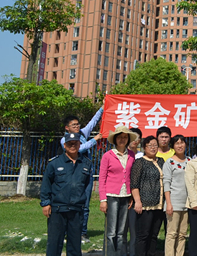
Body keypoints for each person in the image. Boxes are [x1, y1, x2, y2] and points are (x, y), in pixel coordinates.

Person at [41, 131, 93, 256]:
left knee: (75, 245)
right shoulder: (54, 163)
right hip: (58, 209)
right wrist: (46, 203)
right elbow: (46, 184)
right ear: (64, 145)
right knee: (54, 243)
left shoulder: (86, 163)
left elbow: (85, 185)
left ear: (79, 145)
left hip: (76, 209)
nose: (72, 146)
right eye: (70, 143)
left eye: (75, 143)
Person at [61, 108, 103, 243]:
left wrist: (102, 107)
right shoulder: (64, 140)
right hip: (72, 174)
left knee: (85, 205)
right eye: (73, 125)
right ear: (67, 127)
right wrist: (94, 140)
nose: (77, 126)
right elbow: (79, 149)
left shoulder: (83, 133)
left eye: (78, 124)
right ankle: (68, 231)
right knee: (70, 203)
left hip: (87, 174)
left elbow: (93, 122)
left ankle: (82, 232)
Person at [100, 125, 138, 256]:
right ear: (115, 139)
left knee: (122, 231)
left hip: (125, 196)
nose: (122, 139)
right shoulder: (108, 155)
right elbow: (102, 178)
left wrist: (131, 195)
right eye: (120, 137)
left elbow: (131, 176)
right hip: (112, 195)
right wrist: (103, 199)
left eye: (125, 137)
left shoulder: (131, 155)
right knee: (111, 232)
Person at [131, 136, 166, 256]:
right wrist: (137, 201)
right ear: (144, 147)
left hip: (159, 204)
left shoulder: (161, 161)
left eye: (155, 145)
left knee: (154, 235)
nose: (153, 148)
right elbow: (134, 184)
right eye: (150, 145)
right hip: (145, 204)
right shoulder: (140, 162)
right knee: (143, 235)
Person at [164, 135, 189, 256]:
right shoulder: (169, 162)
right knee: (172, 233)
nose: (180, 145)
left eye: (182, 143)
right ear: (173, 146)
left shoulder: (190, 161)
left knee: (182, 234)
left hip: (187, 203)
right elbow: (166, 183)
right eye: (177, 143)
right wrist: (168, 203)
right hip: (174, 202)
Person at [127, 127, 143, 256]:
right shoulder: (121, 154)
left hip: (136, 197)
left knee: (134, 230)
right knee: (119, 230)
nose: (134, 140)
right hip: (121, 195)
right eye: (132, 137)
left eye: (137, 138)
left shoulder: (142, 156)